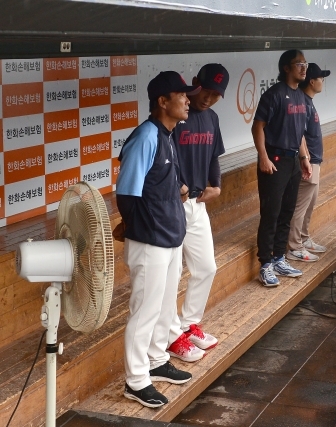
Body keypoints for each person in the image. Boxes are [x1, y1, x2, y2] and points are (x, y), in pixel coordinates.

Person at [116, 71, 199, 408]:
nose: (188, 100)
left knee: (164, 307)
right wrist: (140, 230)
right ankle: (135, 381)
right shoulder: (146, 136)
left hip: (169, 237)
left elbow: (159, 182)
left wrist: (176, 191)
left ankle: (155, 360)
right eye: (182, 95)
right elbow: (127, 194)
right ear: (163, 102)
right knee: (145, 311)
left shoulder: (167, 135)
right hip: (150, 240)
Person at [166, 64, 228, 363]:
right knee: (171, 273)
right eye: (206, 90)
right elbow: (166, 159)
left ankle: (188, 324)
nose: (209, 98)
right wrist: (177, 185)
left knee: (206, 267)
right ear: (195, 84)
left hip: (197, 204)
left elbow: (213, 155)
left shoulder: (212, 118)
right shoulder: (178, 116)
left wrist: (216, 185)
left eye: (216, 94)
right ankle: (170, 335)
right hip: (172, 203)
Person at [252, 50, 313, 287]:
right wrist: (263, 157)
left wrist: (304, 158)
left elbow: (299, 133)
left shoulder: (301, 97)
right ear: (286, 68)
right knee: (271, 213)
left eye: (305, 64)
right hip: (274, 161)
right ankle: (265, 264)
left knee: (287, 212)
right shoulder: (274, 95)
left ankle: (279, 258)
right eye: (299, 64)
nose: (303, 68)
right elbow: (258, 128)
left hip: (293, 161)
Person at [287, 63, 330, 263]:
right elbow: (298, 135)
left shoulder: (308, 101)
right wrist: (305, 159)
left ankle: (303, 239)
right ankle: (294, 246)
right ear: (312, 81)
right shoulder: (302, 103)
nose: (323, 82)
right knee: (300, 206)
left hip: (314, 161)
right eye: (321, 78)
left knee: (310, 204)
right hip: (307, 162)